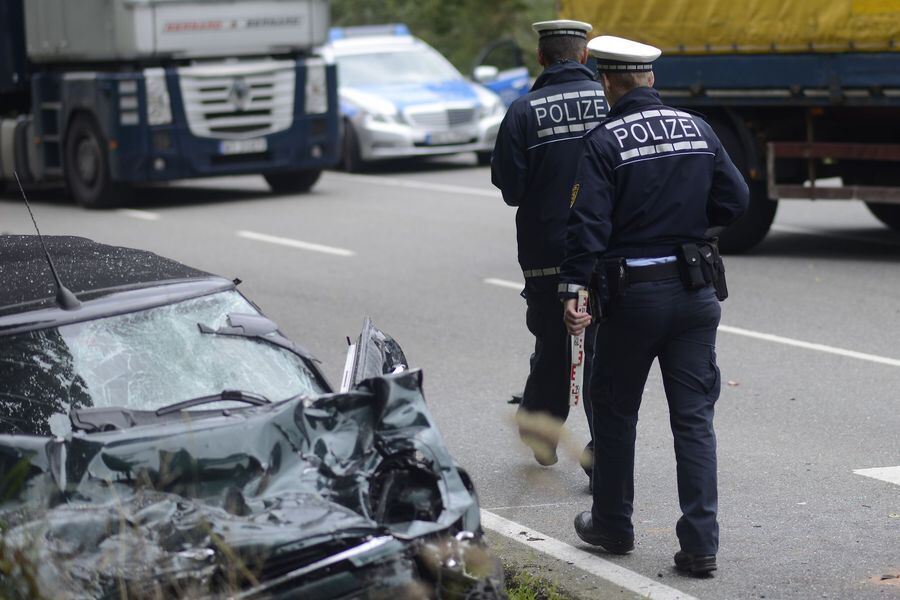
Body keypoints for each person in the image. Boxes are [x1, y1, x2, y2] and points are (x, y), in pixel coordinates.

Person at [558, 35, 749, 576]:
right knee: (693, 421)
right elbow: (734, 201)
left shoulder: (604, 140)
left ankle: (613, 525)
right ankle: (700, 545)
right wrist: (689, 229)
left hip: (633, 298)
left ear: (608, 83)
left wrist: (575, 291)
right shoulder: (698, 127)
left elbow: (587, 226)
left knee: (615, 411)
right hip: (695, 293)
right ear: (650, 79)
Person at [491, 20, 607, 473]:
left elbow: (511, 188)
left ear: (541, 58)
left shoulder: (523, 112)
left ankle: (541, 429)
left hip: (545, 254)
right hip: (602, 251)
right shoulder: (610, 100)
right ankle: (602, 449)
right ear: (584, 57)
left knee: (553, 339)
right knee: (600, 346)